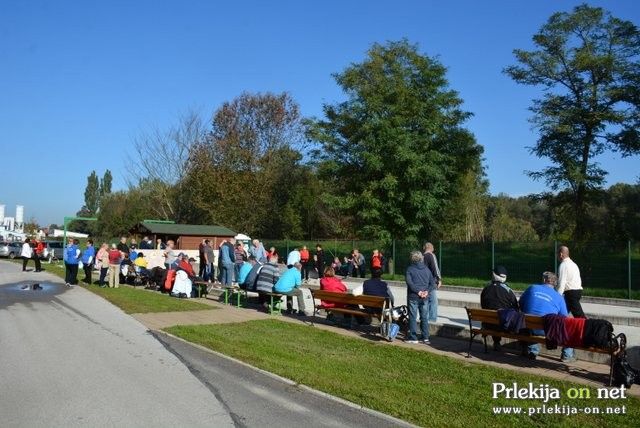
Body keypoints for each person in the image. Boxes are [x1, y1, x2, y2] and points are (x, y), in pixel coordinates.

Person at [519, 271, 574, 361]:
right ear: (555, 283)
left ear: (544, 280)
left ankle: (532, 350)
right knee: (569, 327)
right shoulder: (559, 297)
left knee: (532, 323)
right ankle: (567, 355)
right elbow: (564, 317)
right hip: (548, 330)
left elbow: (521, 303)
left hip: (529, 326)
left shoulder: (532, 288)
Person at [480, 265, 519, 350]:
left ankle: (496, 342)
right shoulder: (508, 290)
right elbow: (516, 307)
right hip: (505, 325)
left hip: (488, 324)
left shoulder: (486, 289)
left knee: (494, 316)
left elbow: (483, 305)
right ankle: (524, 348)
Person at [405, 251, 435, 344]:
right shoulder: (426, 269)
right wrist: (426, 291)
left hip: (413, 296)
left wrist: (418, 291)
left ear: (412, 258)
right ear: (421, 258)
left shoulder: (410, 269)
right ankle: (425, 337)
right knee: (424, 317)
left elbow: (410, 283)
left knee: (413, 317)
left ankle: (413, 337)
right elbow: (432, 283)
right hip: (424, 296)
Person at [556, 245, 585, 319]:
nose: (557, 256)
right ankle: (559, 328)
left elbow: (561, 283)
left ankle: (588, 329)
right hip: (577, 291)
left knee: (580, 316)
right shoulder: (573, 264)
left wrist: (556, 297)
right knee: (561, 314)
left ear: (561, 254)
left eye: (557, 254)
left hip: (571, 294)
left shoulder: (563, 265)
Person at [423, 242, 441, 322]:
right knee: (433, 301)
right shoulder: (431, 255)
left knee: (425, 301)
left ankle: (424, 319)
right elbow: (435, 268)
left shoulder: (421, 256)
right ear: (431, 248)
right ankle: (432, 319)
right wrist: (439, 279)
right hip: (430, 282)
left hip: (422, 282)